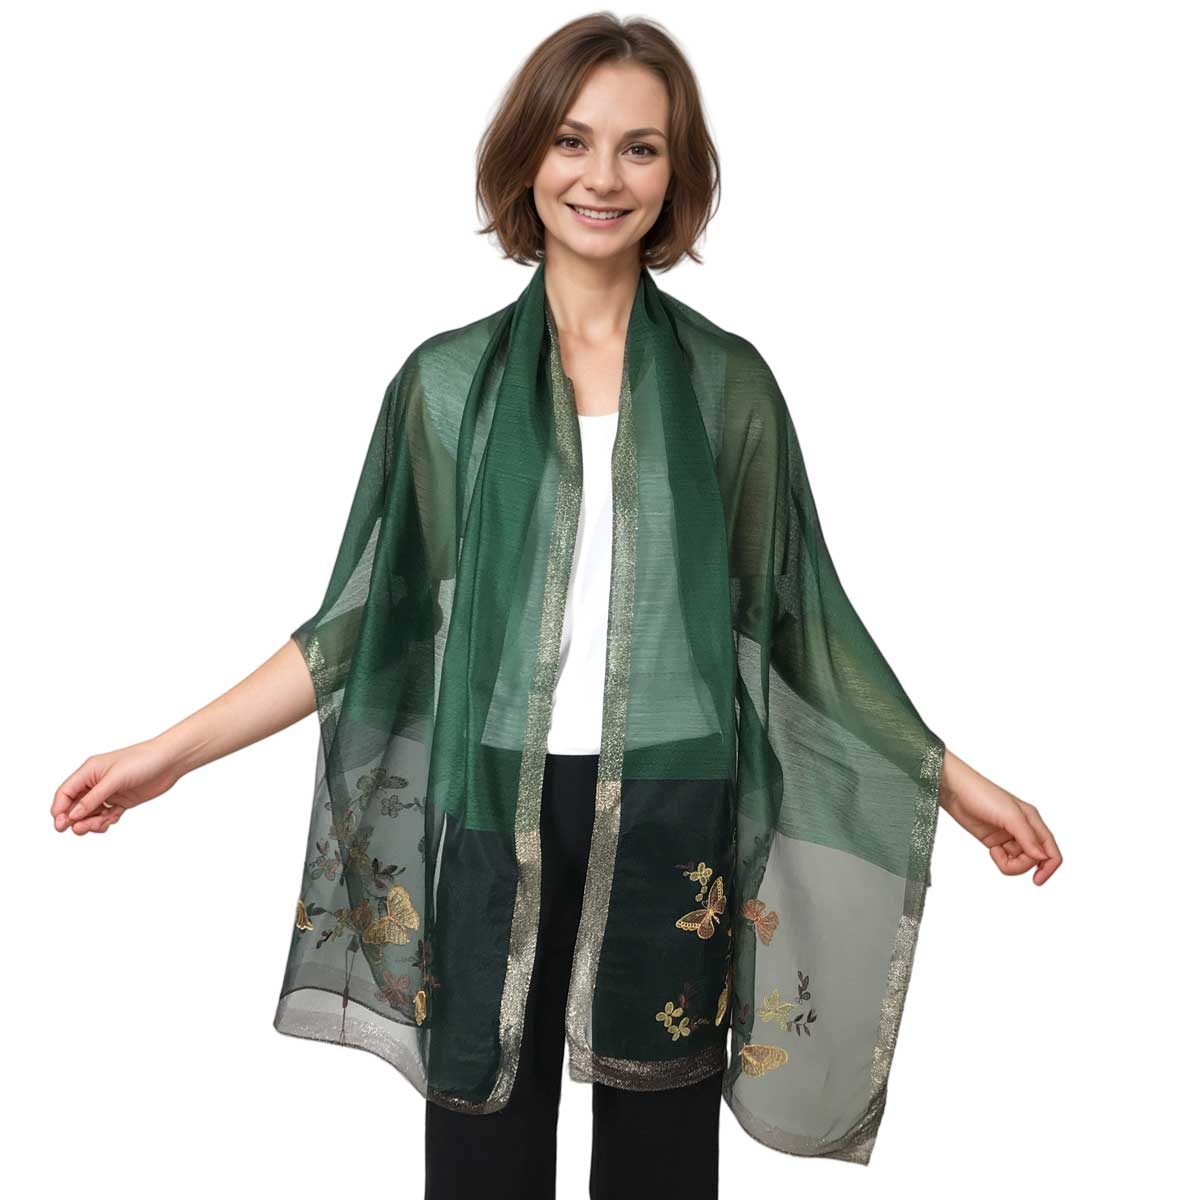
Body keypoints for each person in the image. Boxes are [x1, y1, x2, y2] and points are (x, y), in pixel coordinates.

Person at [51, 12, 1062, 1200]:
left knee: (659, 1166)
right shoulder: (446, 388)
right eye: (574, 141)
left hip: (674, 807)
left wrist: (956, 782)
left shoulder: (728, 387)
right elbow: (361, 626)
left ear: (676, 174)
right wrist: (166, 757)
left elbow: (803, 628)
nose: (603, 177)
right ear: (527, 156)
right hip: (494, 805)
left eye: (641, 147)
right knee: (482, 1155)